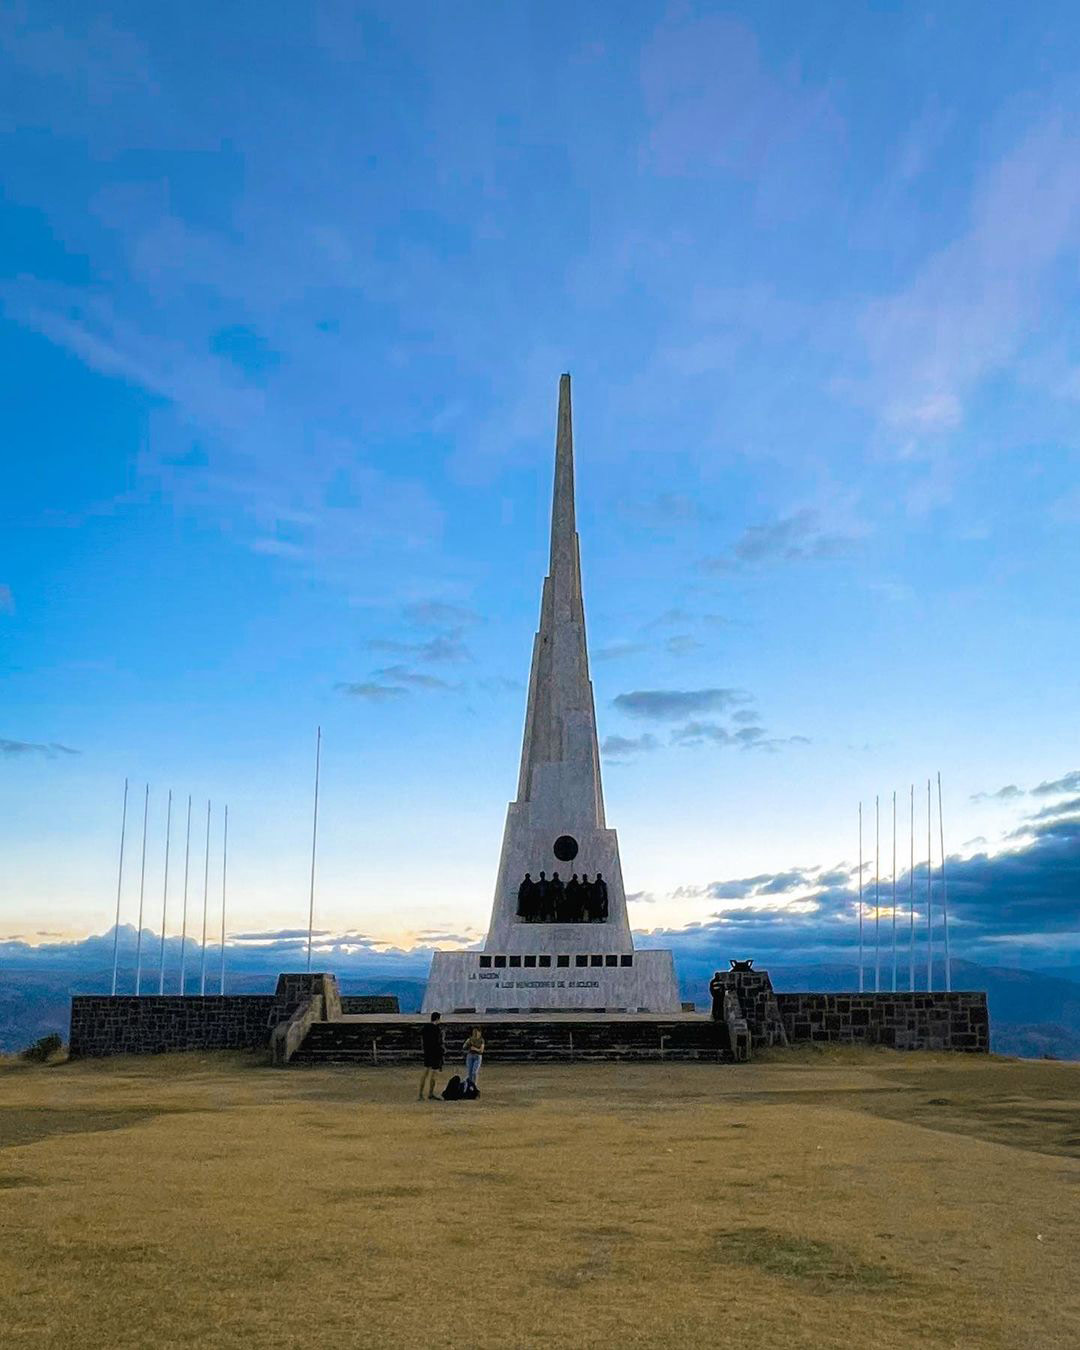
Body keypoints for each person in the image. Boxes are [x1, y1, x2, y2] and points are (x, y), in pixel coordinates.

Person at [419, 1011, 444, 1100]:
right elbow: (439, 1043)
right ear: (437, 1019)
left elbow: (422, 1041)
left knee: (425, 1073)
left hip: (427, 1052)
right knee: (434, 1074)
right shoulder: (437, 1029)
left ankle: (420, 1094)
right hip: (435, 1053)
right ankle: (430, 1093)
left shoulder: (425, 1028)